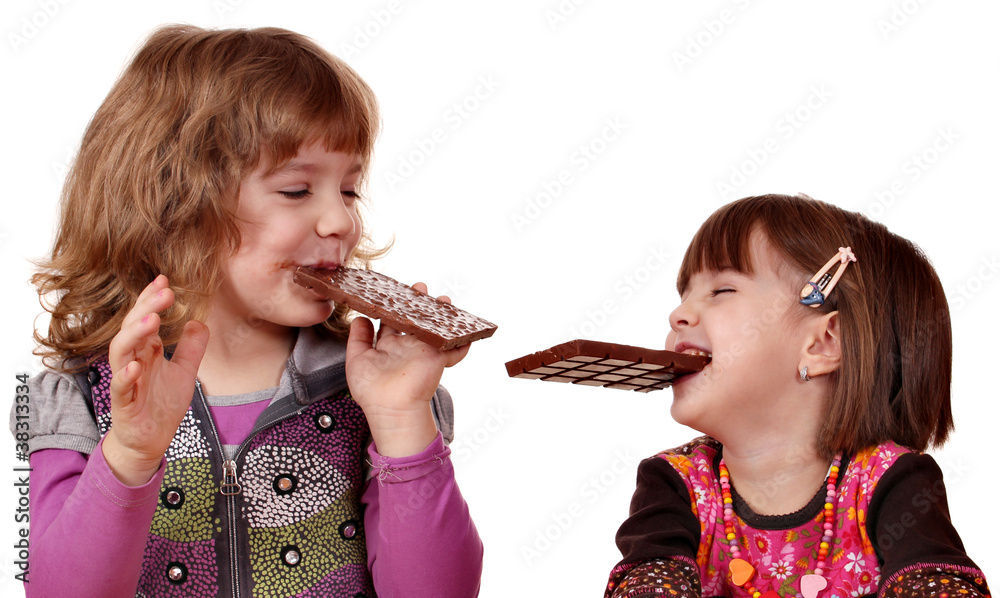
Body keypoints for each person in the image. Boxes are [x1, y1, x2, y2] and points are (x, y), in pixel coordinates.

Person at [12, 25, 482, 597]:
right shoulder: (83, 399)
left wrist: (401, 417)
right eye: (296, 190)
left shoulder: (374, 395)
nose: (341, 221)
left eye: (350, 190)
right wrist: (130, 454)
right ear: (177, 204)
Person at [604, 194, 990, 598]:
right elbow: (647, 581)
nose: (677, 314)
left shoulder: (891, 481)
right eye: (684, 293)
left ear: (823, 343)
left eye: (721, 290)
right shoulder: (674, 483)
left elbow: (937, 587)